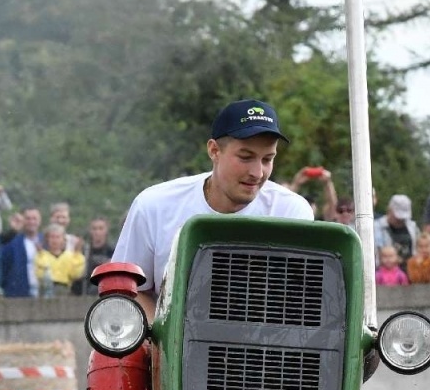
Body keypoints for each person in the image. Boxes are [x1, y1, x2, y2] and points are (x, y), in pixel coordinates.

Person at [111, 99, 312, 318]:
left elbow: (300, 303)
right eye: (245, 157)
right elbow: (127, 290)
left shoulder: (291, 213)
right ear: (214, 150)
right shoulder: (154, 206)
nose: (257, 172)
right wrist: (163, 335)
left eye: (267, 159)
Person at [0, 207, 42, 299]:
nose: (31, 222)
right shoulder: (12, 242)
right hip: (17, 292)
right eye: (28, 219)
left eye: (34, 218)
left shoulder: (46, 241)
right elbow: (2, 265)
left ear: (40, 221)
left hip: (42, 292)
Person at [35, 223, 86, 296]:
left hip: (64, 290)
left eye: (58, 237)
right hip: (45, 290)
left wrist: (77, 253)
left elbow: (76, 274)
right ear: (47, 239)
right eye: (52, 237)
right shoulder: (42, 255)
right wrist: (41, 254)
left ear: (63, 239)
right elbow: (40, 274)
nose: (55, 240)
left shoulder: (70, 255)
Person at [78, 218, 116, 295]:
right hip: (85, 286)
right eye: (94, 229)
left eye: (100, 228)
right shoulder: (84, 250)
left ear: (106, 230)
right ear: (90, 230)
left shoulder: (113, 250)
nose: (97, 232)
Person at [374, 194, 417, 262]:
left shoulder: (412, 227)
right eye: (398, 217)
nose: (400, 220)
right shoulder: (377, 227)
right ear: (389, 210)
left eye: (403, 218)